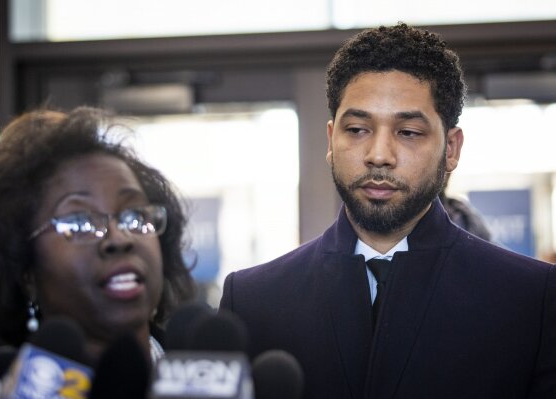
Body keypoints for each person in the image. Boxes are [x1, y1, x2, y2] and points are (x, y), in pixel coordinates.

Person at [219, 23, 556, 399]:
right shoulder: (253, 299)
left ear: (451, 148)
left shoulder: (530, 299)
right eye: (358, 129)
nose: (379, 154)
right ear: (331, 139)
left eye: (408, 132)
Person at [0, 107, 196, 363]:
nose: (119, 239)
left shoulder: (204, 375)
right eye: (80, 223)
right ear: (26, 272)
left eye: (134, 216)